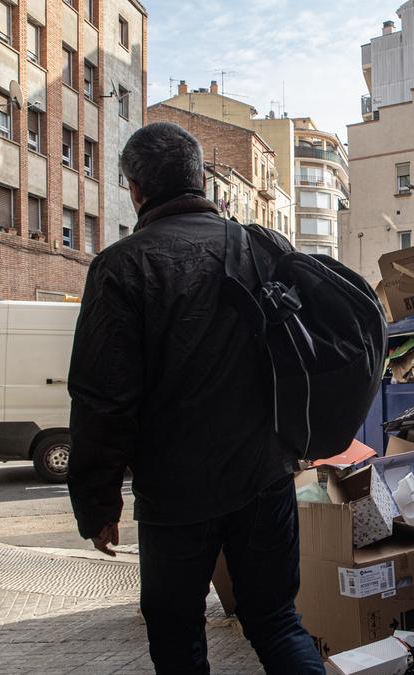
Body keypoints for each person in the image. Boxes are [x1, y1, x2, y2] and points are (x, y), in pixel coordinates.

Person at [67, 122, 324, 674]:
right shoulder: (260, 248)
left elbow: (101, 398)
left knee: (177, 632)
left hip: (175, 493)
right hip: (264, 474)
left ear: (135, 189)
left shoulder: (121, 266)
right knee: (276, 620)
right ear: (201, 180)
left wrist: (98, 503)